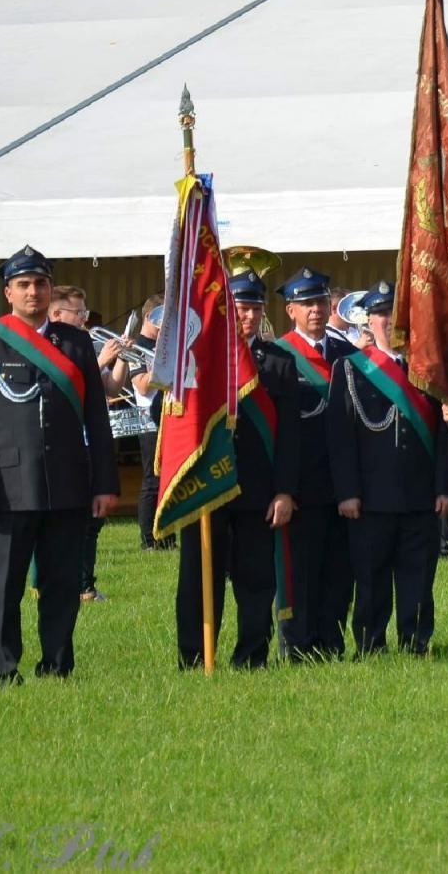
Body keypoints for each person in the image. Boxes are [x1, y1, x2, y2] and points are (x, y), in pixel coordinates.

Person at [0, 246, 118, 684]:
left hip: (68, 485)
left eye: (41, 283)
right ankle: (4, 670)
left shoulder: (76, 341)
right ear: (8, 292)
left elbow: (97, 421)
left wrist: (104, 482)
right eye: (24, 285)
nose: (34, 292)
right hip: (8, 488)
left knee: (63, 584)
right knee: (5, 588)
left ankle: (57, 665)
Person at [174, 269, 301, 669]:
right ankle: (194, 655)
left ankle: (252, 656)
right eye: (241, 308)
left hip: (257, 487)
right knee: (198, 579)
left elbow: (290, 435)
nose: (248, 316)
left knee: (255, 581)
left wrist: (284, 490)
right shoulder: (200, 359)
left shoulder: (278, 362)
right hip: (206, 486)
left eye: (255, 309)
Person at [329, 279, 448, 656]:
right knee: (371, 576)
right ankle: (370, 643)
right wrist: (347, 492)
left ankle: (416, 641)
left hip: (420, 493)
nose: (388, 321)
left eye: (394, 314)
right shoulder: (350, 369)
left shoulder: (429, 368)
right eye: (381, 314)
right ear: (368, 321)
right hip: (370, 496)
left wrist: (445, 486)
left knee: (418, 576)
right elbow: (340, 438)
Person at [273, 266, 358, 659]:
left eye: (321, 301)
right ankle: (298, 644)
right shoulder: (278, 358)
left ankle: (331, 640)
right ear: (290, 310)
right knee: (299, 570)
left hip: (343, 483)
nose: (316, 310)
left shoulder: (348, 354)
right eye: (306, 303)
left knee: (339, 570)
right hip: (300, 483)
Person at [47, 285, 123, 602]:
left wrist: (120, 359)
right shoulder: (52, 347)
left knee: (93, 522)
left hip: (92, 442)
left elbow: (110, 388)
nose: (84, 319)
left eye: (84, 313)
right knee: (71, 522)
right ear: (56, 315)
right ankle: (77, 585)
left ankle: (84, 583)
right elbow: (66, 385)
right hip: (66, 446)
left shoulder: (84, 346)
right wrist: (97, 358)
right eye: (78, 313)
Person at [128, 296, 173, 551]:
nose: (165, 325)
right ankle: (148, 539)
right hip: (148, 419)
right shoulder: (136, 347)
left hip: (168, 414)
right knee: (151, 480)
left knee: (169, 478)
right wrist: (164, 367)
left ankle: (167, 536)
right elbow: (143, 386)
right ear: (148, 317)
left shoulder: (164, 345)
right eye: (160, 319)